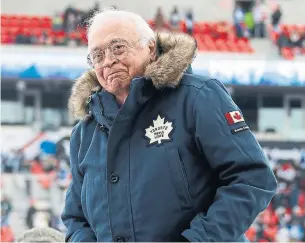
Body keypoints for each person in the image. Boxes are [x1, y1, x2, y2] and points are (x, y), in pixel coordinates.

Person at [61, 9, 277, 242]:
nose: (108, 61)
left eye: (118, 48)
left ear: (151, 49)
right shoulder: (84, 133)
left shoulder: (198, 97)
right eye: (97, 55)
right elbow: (76, 218)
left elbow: (252, 177)